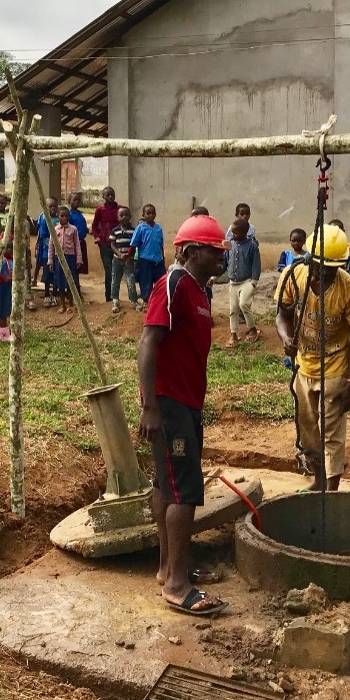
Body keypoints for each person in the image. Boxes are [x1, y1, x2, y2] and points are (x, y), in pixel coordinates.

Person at [138, 214, 227, 616]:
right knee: (184, 489)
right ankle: (177, 585)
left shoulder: (199, 290)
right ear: (192, 252)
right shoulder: (172, 284)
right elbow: (148, 342)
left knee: (165, 483)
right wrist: (150, 407)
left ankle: (169, 568)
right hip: (170, 404)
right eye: (214, 251)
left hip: (187, 403)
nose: (220, 257)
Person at [275, 224, 350, 492]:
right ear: (309, 259)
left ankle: (332, 490)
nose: (323, 273)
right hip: (304, 366)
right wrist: (286, 338)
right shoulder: (293, 277)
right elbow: (281, 313)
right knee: (308, 429)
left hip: (335, 368)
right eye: (319, 267)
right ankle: (318, 480)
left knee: (330, 431)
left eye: (332, 269)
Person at [225, 217, 261, 346]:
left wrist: (254, 282)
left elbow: (256, 264)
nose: (233, 235)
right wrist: (213, 278)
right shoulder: (230, 245)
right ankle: (233, 334)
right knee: (233, 308)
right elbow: (225, 263)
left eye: (236, 233)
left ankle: (252, 329)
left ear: (245, 233)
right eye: (232, 232)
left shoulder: (252, 246)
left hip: (247, 281)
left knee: (244, 304)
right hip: (233, 283)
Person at [130, 203, 165, 310]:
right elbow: (133, 244)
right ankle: (146, 300)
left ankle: (161, 300)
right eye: (148, 213)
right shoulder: (141, 228)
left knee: (161, 281)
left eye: (152, 213)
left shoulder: (158, 228)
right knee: (146, 281)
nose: (150, 215)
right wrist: (129, 257)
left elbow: (161, 245)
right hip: (145, 259)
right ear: (143, 215)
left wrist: (163, 257)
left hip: (158, 260)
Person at [90, 187, 121, 303]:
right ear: (103, 197)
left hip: (117, 244)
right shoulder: (100, 210)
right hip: (104, 244)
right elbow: (94, 226)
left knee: (116, 270)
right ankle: (109, 297)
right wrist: (97, 238)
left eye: (112, 194)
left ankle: (115, 295)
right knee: (109, 270)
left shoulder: (119, 209)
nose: (110, 197)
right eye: (107, 195)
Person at [109, 205, 138, 312]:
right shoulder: (115, 231)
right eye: (121, 215)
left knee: (130, 280)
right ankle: (115, 301)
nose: (124, 217)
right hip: (117, 259)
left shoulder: (134, 231)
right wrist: (120, 254)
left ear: (130, 216)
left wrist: (130, 256)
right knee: (115, 280)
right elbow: (112, 245)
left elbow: (134, 245)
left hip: (129, 260)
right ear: (118, 218)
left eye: (126, 215)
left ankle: (133, 301)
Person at [35, 197, 57, 305]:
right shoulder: (43, 218)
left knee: (56, 273)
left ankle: (54, 294)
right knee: (47, 273)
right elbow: (42, 235)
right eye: (50, 207)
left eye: (55, 206)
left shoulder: (58, 219)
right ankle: (47, 294)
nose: (53, 209)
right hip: (46, 250)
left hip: (57, 251)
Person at [67, 192, 89, 276]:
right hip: (74, 242)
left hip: (82, 241)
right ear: (69, 201)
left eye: (78, 200)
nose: (77, 202)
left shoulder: (80, 214)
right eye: (74, 200)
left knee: (80, 263)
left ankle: (76, 282)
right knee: (74, 264)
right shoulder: (69, 215)